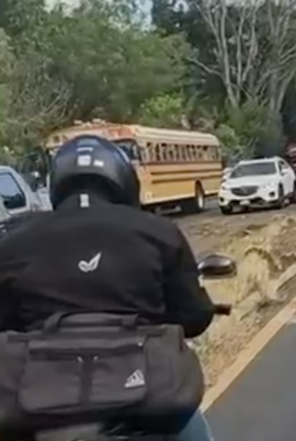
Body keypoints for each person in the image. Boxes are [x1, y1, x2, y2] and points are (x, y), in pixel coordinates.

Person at [0, 135, 217, 441]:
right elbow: (194, 317)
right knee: (188, 422)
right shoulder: (159, 232)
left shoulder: (13, 245)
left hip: (38, 403)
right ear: (124, 180)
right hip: (144, 399)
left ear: (57, 184)